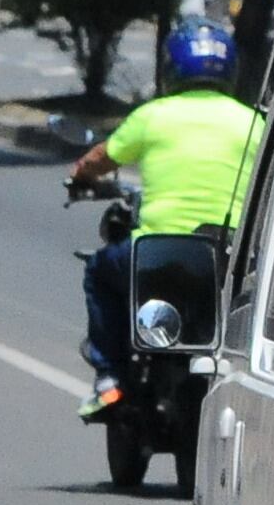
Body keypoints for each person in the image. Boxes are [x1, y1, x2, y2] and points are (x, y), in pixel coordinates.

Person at [63, 21, 263, 419]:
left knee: (100, 271)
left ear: (171, 69)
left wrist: (81, 176)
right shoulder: (253, 122)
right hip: (226, 259)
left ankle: (110, 377)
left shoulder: (152, 116)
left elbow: (101, 158)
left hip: (156, 257)